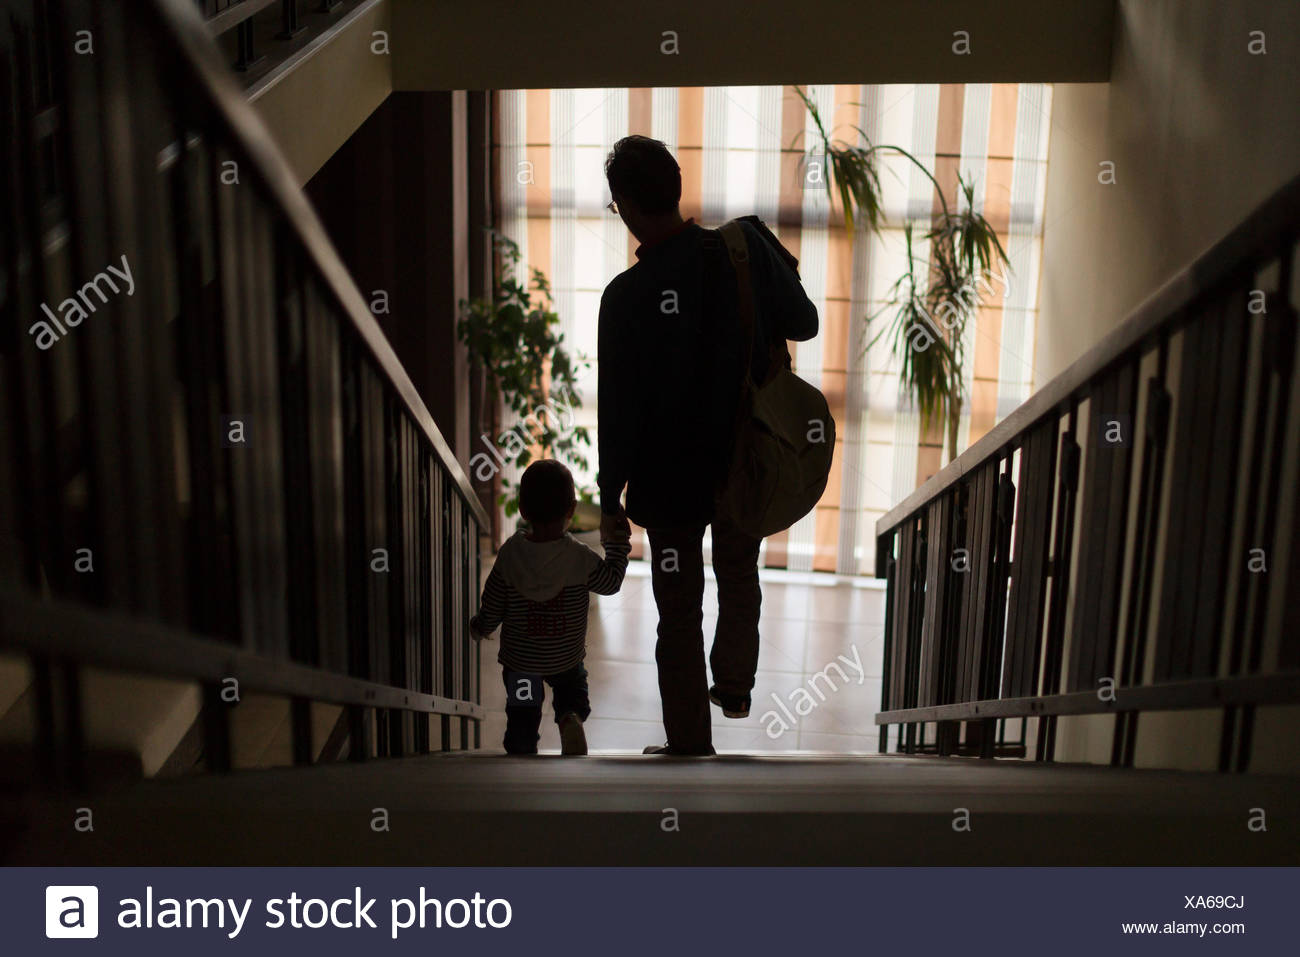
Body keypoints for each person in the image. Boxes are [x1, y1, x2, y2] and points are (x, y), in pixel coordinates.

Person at [597, 135, 819, 755]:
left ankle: (691, 745)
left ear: (626, 206)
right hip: (745, 456)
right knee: (739, 569)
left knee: (678, 613)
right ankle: (736, 685)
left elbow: (618, 411)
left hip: (668, 484)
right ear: (676, 185)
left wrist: (608, 494)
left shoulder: (624, 299)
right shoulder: (742, 248)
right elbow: (804, 323)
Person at [470, 459, 631, 755]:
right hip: (564, 657)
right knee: (571, 688)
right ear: (571, 510)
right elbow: (610, 583)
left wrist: (482, 626)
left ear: (521, 509)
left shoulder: (510, 554)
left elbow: (493, 601)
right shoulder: (579, 557)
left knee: (523, 710)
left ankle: (522, 743)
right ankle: (570, 715)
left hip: (522, 662)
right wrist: (617, 545)